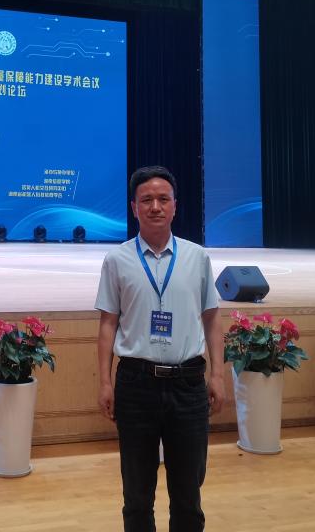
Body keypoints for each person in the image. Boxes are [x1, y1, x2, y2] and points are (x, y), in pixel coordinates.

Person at [95, 165, 224, 532]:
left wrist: (218, 374)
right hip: (136, 386)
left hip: (188, 385)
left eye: (163, 199)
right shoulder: (117, 260)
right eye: (147, 200)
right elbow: (107, 325)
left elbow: (212, 319)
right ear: (134, 207)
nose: (155, 206)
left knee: (188, 496)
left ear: (175, 206)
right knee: (137, 497)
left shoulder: (197, 257)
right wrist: (105, 382)